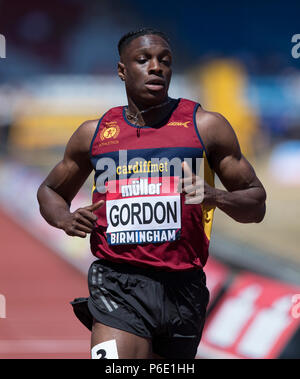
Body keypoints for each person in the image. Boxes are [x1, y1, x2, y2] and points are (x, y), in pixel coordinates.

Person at [37, 28, 266, 359]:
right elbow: (50, 190)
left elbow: (255, 203)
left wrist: (215, 196)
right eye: (143, 60)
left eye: (165, 61)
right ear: (122, 71)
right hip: (117, 282)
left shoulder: (206, 126)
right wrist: (63, 218)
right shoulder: (94, 134)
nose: (156, 67)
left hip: (183, 287)